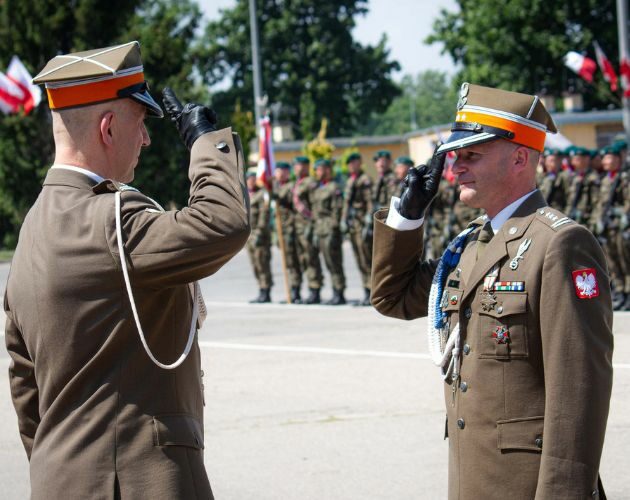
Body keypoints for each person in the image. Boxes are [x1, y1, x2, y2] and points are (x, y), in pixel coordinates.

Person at [3, 41, 250, 499]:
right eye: (141, 124)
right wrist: (204, 144)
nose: (147, 139)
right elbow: (223, 224)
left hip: (61, 482)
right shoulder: (109, 220)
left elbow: (27, 391)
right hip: (137, 483)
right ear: (108, 128)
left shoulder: (33, 228)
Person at [371, 83, 613, 499]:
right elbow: (393, 296)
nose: (454, 169)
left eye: (470, 155)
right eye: (454, 157)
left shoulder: (560, 244)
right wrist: (408, 216)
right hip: (473, 479)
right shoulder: (470, 245)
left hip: (526, 485)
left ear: (520, 156)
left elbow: (578, 391)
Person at [591, 144, 629, 310]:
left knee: (625, 260)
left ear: (617, 159)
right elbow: (600, 203)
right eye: (604, 158)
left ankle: (628, 293)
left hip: (619, 227)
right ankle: (620, 292)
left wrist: (623, 214)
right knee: (612, 262)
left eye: (609, 158)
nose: (605, 162)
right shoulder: (606, 179)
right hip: (607, 227)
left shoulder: (624, 178)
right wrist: (597, 220)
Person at [340, 152, 373, 305]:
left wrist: (368, 219)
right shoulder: (350, 181)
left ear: (359, 163)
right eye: (349, 163)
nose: (352, 166)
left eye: (354, 163)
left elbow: (369, 201)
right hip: (353, 225)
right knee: (359, 259)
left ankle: (372, 291)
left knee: (366, 258)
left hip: (361, 224)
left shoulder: (364, 180)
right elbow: (346, 204)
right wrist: (343, 219)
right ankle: (366, 290)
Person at [312, 158, 346, 305]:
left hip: (330, 230)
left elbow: (336, 211)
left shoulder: (334, 188)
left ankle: (339, 292)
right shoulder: (318, 188)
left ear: (326, 170)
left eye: (319, 169)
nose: (317, 172)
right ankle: (334, 291)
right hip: (320, 230)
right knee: (327, 263)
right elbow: (315, 212)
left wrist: (334, 230)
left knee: (334, 263)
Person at [292, 156, 324, 304]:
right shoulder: (295, 184)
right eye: (297, 165)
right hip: (297, 228)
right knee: (303, 260)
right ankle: (308, 289)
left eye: (302, 165)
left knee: (311, 259)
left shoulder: (311, 183)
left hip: (308, 227)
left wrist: (313, 225)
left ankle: (315, 289)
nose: (299, 168)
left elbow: (315, 206)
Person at [273, 161, 302, 303]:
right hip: (280, 230)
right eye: (277, 171)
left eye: (282, 171)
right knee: (288, 262)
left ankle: (296, 291)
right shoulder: (276, 187)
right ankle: (291, 290)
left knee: (293, 261)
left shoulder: (291, 187)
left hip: (290, 229)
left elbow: (288, 203)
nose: (279, 173)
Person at [247, 169, 273, 303]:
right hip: (249, 237)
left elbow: (264, 215)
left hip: (260, 236)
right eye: (248, 179)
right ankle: (260, 288)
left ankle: (266, 290)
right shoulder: (245, 196)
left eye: (252, 179)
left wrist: (259, 232)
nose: (250, 181)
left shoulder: (262, 194)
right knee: (255, 264)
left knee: (262, 263)